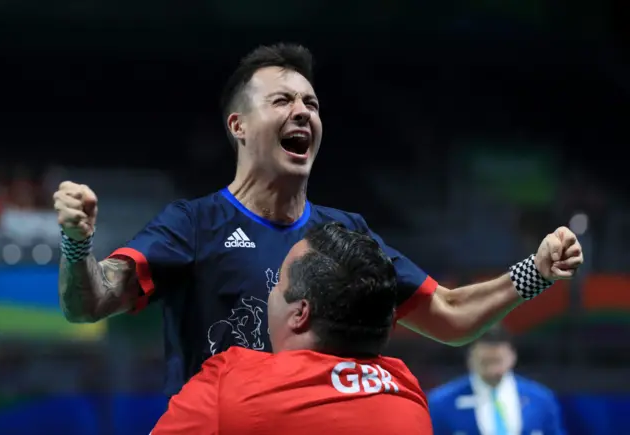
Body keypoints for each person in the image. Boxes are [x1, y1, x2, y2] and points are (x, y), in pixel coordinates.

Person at [52, 43, 584, 397]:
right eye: (282, 100)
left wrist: (533, 272)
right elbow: (91, 302)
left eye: (312, 102)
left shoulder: (345, 235)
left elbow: (447, 314)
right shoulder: (192, 224)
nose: (302, 111)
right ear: (238, 125)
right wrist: (78, 245)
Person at [151, 222, 433, 434]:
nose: (270, 293)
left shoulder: (230, 382)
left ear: (300, 313)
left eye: (277, 284)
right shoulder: (408, 393)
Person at [428, 326, 566, 435]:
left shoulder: (541, 399)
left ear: (512, 357)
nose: (493, 369)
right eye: (486, 362)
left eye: (497, 361)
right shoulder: (441, 402)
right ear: (470, 358)